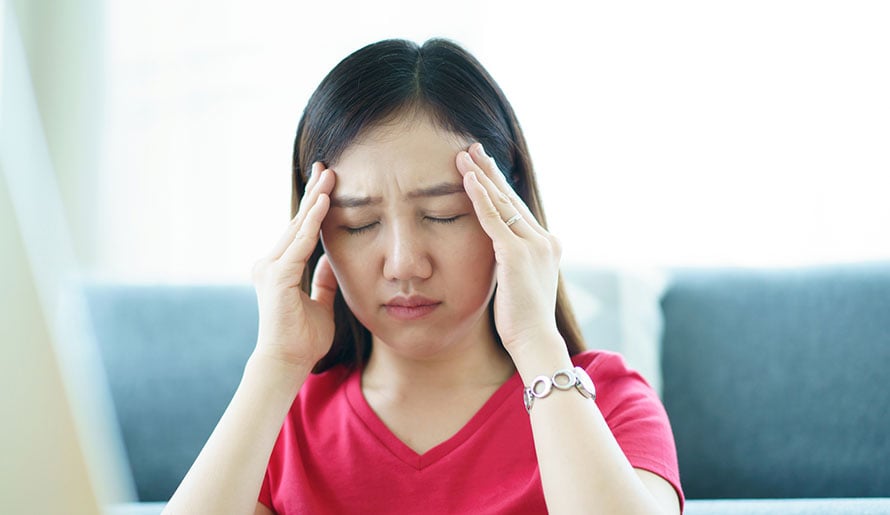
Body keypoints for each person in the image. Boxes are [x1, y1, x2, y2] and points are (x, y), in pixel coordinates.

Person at [164, 38, 684, 514]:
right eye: (358, 223)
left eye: (444, 216)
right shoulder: (281, 424)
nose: (404, 263)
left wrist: (535, 342)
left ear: (511, 214)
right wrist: (276, 365)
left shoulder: (607, 403)